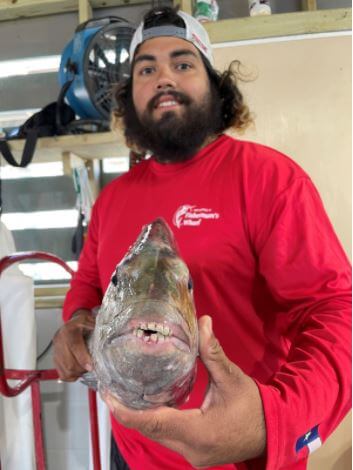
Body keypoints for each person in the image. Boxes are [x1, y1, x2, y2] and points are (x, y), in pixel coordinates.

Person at [53, 6, 352, 470]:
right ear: (130, 94)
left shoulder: (269, 179)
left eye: (183, 63)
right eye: (146, 69)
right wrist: (74, 323)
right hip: (131, 456)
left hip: (246, 457)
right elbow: (88, 286)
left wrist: (275, 422)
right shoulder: (112, 200)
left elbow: (336, 311)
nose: (163, 77)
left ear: (214, 84)